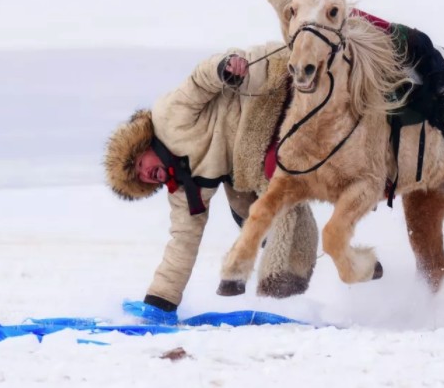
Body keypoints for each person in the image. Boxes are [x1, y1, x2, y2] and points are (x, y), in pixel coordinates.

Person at [104, 43, 319, 318]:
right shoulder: (182, 190)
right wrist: (160, 303)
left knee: (269, 184)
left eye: (139, 166)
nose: (145, 175)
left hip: (259, 97)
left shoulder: (168, 116)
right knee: (249, 209)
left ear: (142, 146)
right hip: (245, 164)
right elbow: (182, 243)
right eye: (140, 180)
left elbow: (199, 81)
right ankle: (296, 273)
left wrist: (225, 67)